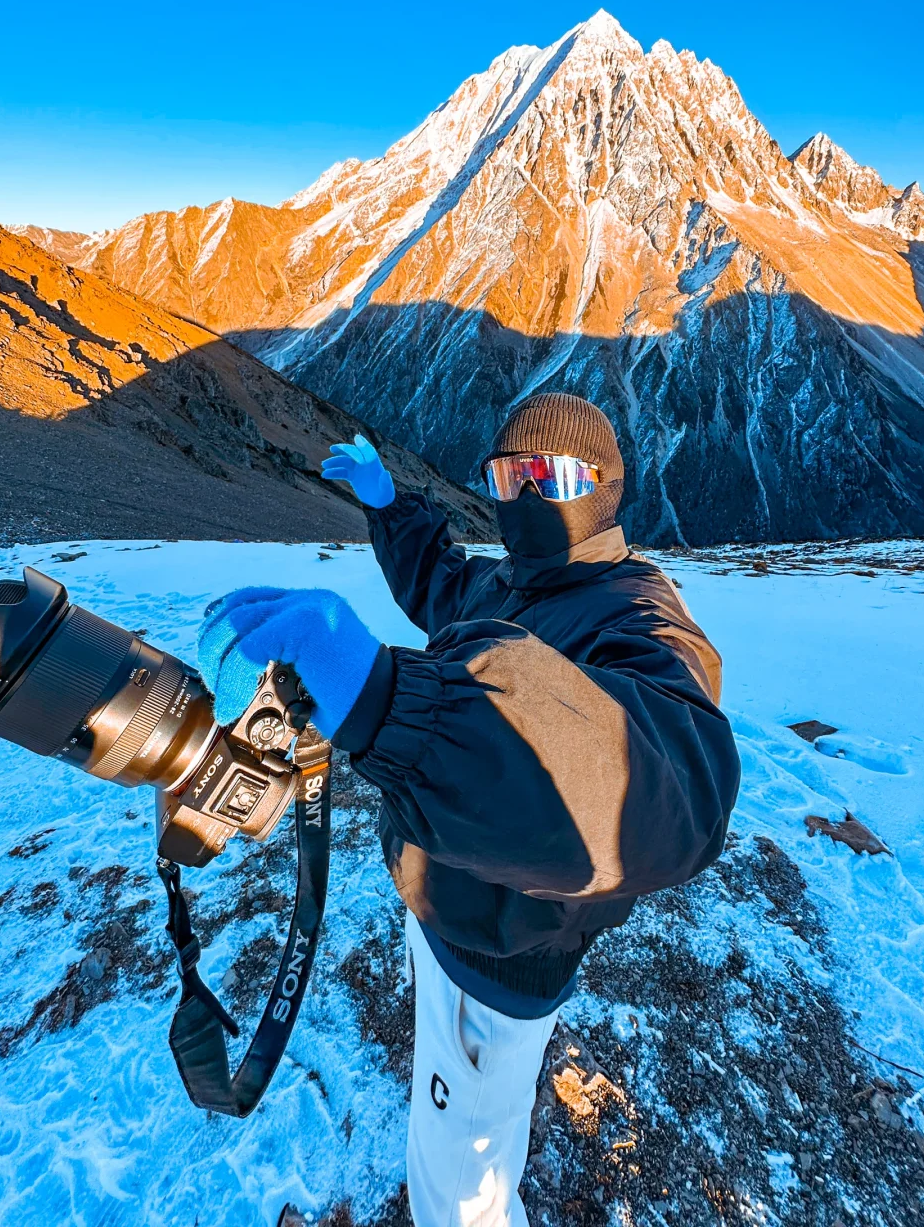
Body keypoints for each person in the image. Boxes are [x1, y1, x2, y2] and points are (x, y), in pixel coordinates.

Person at [197, 392, 740, 1227]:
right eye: (506, 473)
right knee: (468, 1105)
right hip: (450, 903)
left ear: (604, 487)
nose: (522, 495)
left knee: (458, 1195)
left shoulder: (638, 614)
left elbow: (677, 782)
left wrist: (392, 702)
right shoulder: (519, 579)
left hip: (504, 951)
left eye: (547, 476)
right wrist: (391, 508)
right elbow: (444, 585)